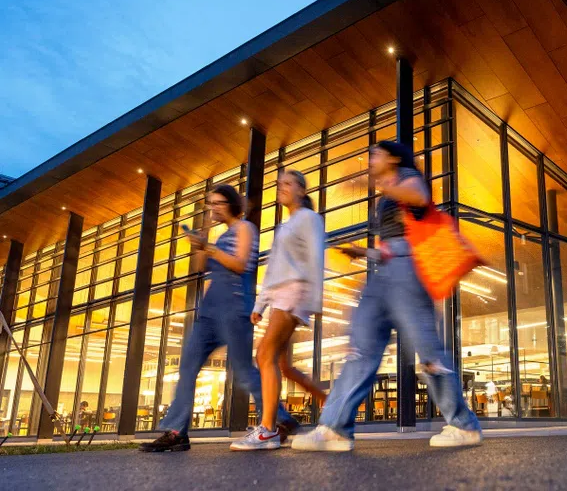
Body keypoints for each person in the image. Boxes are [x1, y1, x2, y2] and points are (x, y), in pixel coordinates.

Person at [292, 140, 482, 452]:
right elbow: (391, 243)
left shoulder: (406, 176)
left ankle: (462, 424)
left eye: (375, 155)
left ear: (392, 158)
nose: (369, 161)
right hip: (385, 272)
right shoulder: (389, 190)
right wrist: (362, 251)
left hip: (409, 272)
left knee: (428, 352)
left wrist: (386, 186)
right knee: (360, 349)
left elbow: (420, 198)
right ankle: (334, 428)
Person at [140, 184, 296, 452]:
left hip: (235, 308)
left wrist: (209, 247)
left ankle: (281, 419)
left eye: (218, 203)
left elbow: (239, 264)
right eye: (210, 204)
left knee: (245, 372)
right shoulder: (219, 235)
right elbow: (201, 268)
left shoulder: (245, 228)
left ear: (231, 204)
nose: (213, 208)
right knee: (187, 367)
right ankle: (177, 432)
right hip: (209, 312)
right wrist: (200, 243)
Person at [230, 171, 326, 450]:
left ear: (301, 190)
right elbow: (273, 269)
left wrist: (314, 301)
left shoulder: (309, 219)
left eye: (287, 183)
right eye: (278, 183)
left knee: (264, 354)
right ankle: (330, 404)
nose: (280, 187)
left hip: (294, 292)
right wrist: (261, 303)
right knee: (281, 364)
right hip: (281, 293)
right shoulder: (285, 226)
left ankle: (268, 430)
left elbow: (316, 257)